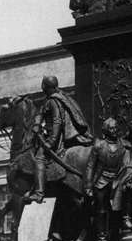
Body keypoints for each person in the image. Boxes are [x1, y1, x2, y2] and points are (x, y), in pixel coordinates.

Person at [29, 75, 90, 203]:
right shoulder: (58, 98)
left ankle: (39, 193)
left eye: (43, 86)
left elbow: (57, 122)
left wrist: (51, 142)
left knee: (39, 158)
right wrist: (36, 125)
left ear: (46, 87)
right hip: (53, 136)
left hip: (56, 139)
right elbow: (40, 113)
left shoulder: (53, 101)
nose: (42, 88)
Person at [84, 118, 132, 241]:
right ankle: (102, 240)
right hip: (101, 181)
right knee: (101, 211)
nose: (114, 130)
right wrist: (88, 186)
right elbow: (90, 166)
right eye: (111, 128)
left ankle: (114, 239)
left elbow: (128, 165)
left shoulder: (124, 145)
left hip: (118, 180)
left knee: (116, 210)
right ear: (106, 130)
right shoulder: (99, 146)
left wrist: (127, 179)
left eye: (116, 128)